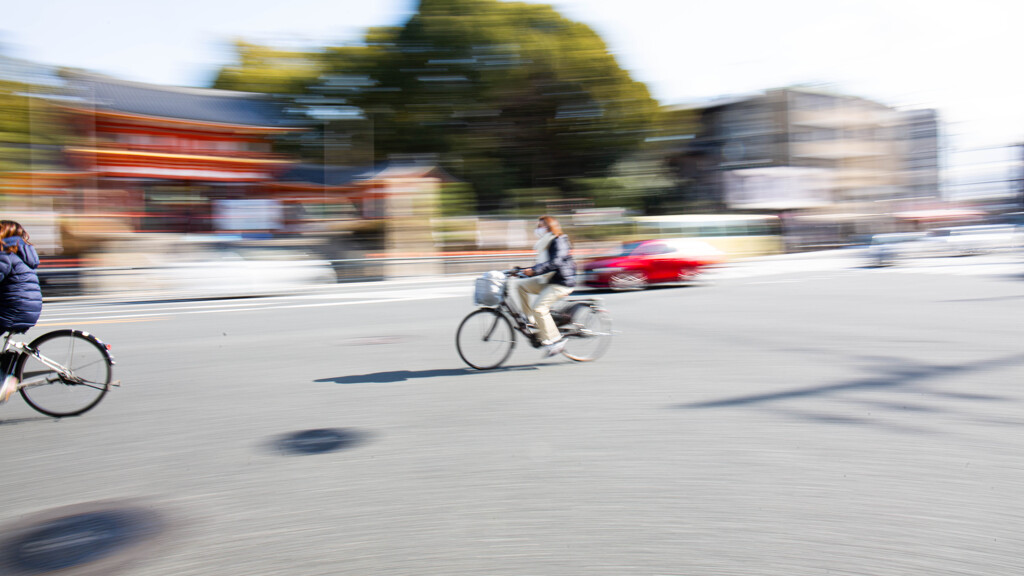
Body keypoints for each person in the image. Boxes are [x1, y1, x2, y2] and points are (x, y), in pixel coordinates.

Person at [516, 215, 577, 357]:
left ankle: (556, 341)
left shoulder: (559, 240)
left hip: (561, 282)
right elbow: (542, 264)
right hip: (548, 280)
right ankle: (530, 319)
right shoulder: (545, 242)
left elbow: (556, 262)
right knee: (521, 286)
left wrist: (534, 271)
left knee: (539, 308)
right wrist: (521, 272)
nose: (538, 229)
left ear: (550, 227)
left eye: (540, 226)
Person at [0, 220, 42, 403]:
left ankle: (4, 380)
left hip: (14, 309)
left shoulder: (5, 255)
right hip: (25, 308)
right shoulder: (19, 253)